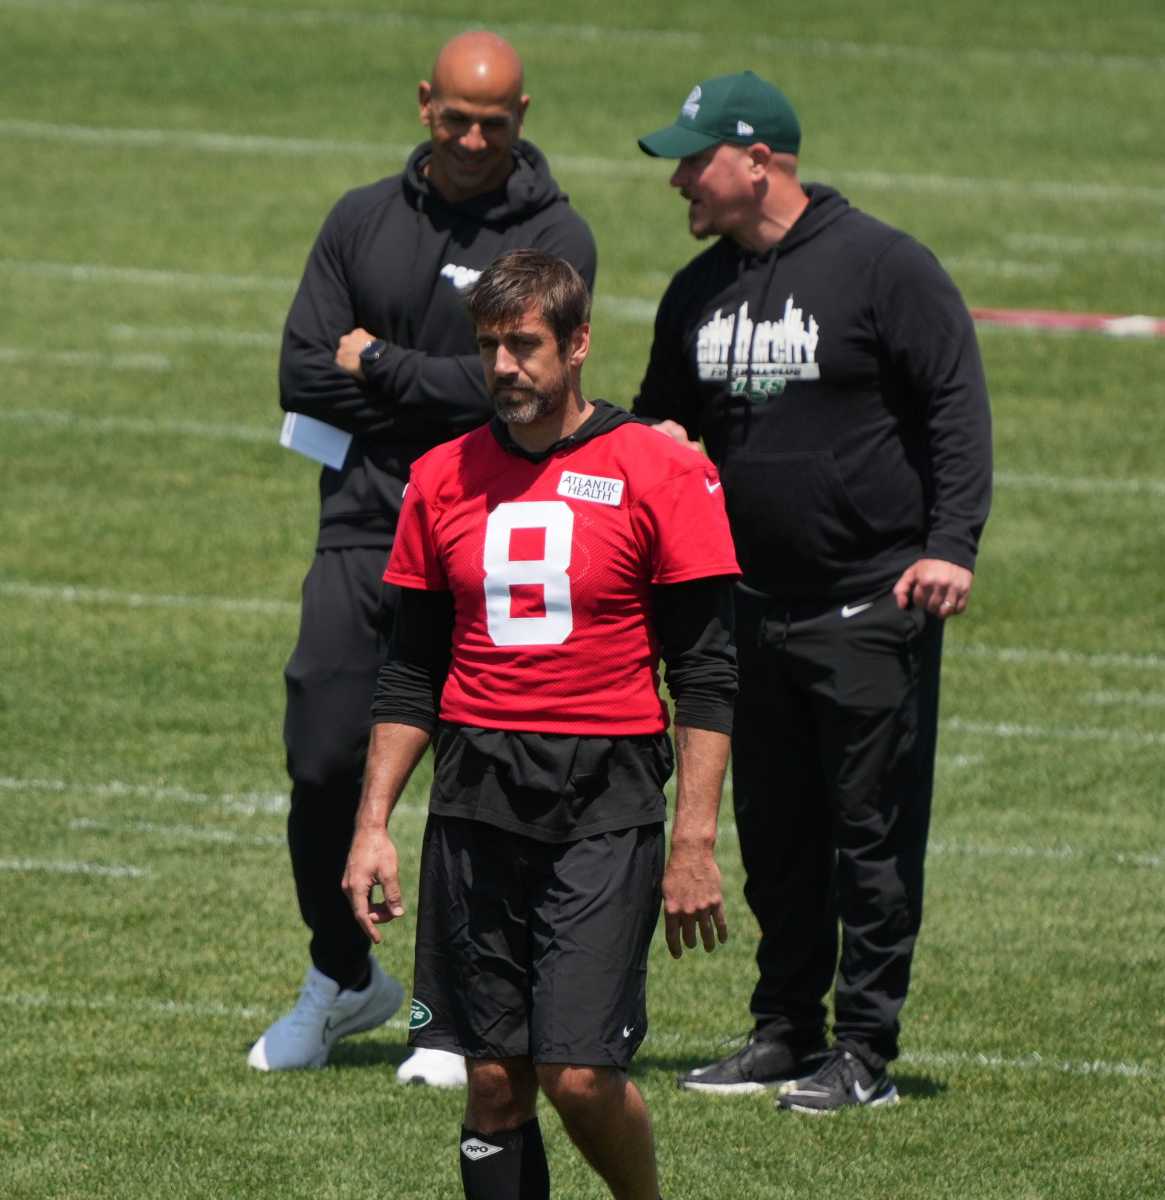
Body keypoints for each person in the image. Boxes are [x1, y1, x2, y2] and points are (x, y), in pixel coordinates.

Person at [342, 249, 739, 1199]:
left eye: (524, 345)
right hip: (475, 796)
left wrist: (693, 840)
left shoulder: (659, 467)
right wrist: (371, 827)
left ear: (578, 344)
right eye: (489, 347)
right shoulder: (441, 477)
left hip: (603, 796)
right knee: (489, 1076)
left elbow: (707, 674)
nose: (505, 367)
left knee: (578, 1074)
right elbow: (409, 671)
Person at [633, 71, 992, 1113]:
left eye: (693, 161)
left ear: (761, 161)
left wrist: (950, 545)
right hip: (750, 610)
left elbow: (955, 412)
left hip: (866, 605)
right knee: (778, 840)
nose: (679, 183)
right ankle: (784, 1031)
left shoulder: (883, 267)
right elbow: (665, 425)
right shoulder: (695, 290)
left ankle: (865, 1051)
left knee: (869, 839)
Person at [248, 32, 597, 1084]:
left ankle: (457, 1015)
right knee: (321, 753)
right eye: (457, 119)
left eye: (495, 123)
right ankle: (344, 975)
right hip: (363, 521)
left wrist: (384, 365)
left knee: (483, 776)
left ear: (523, 116)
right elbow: (303, 372)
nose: (476, 139)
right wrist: (443, 381)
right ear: (423, 107)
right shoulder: (361, 217)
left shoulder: (555, 230)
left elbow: (528, 387)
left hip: (496, 522)